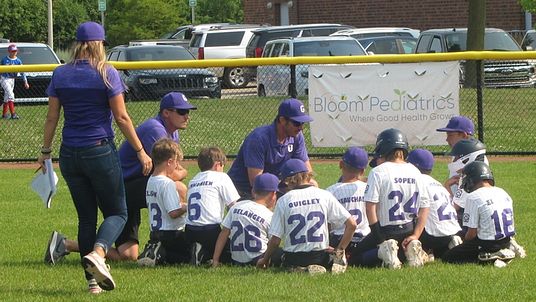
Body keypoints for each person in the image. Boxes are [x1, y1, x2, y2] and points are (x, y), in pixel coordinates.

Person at [38, 21, 152, 294]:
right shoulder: (106, 73)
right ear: (100, 44)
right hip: (99, 149)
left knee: (86, 218)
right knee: (118, 212)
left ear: (76, 44)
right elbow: (122, 117)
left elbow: (52, 117)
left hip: (69, 153)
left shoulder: (61, 73)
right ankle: (99, 253)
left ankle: (92, 283)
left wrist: (45, 152)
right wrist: (140, 151)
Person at [45, 91, 195, 264]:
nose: (187, 116)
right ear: (166, 113)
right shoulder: (156, 129)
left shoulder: (172, 132)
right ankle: (170, 243)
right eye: (182, 112)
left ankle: (64, 244)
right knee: (177, 187)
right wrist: (183, 173)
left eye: (188, 112)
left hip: (132, 186)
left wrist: (178, 172)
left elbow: (172, 169)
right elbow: (173, 172)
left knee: (128, 256)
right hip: (120, 189)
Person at [257, 159, 357, 275]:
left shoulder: (284, 200)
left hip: (293, 258)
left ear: (288, 181)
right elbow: (352, 225)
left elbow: (275, 240)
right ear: (308, 176)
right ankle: (331, 263)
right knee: (328, 254)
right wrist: (339, 251)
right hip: (319, 256)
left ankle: (298, 268)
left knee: (277, 254)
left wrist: (265, 259)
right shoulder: (324, 195)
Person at [351, 128, 430, 269]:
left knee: (354, 258)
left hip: (387, 230)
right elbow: (425, 207)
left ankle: (386, 251)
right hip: (409, 228)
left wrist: (380, 239)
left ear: (383, 147)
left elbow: (370, 207)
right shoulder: (415, 171)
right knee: (400, 248)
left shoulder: (378, 171)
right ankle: (409, 250)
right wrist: (416, 234)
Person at [228, 98, 314, 199]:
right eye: (296, 123)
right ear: (282, 120)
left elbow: (307, 171)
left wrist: (308, 187)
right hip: (244, 191)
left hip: (273, 186)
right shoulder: (258, 138)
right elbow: (256, 182)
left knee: (312, 185)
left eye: (302, 123)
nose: (301, 128)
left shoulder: (297, 136)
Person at [442, 161, 517, 266]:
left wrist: (465, 244)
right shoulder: (503, 192)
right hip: (506, 239)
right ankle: (505, 249)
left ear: (472, 179)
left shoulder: (474, 197)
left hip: (487, 243)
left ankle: (489, 257)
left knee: (447, 257)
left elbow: (471, 234)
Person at [137, 138, 189, 266]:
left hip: (155, 233)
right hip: (171, 234)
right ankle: (162, 254)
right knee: (193, 253)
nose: (177, 166)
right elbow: (173, 213)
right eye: (176, 163)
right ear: (170, 162)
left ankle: (155, 250)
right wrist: (186, 207)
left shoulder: (151, 180)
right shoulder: (167, 183)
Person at [185, 147, 241, 265]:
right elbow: (234, 206)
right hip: (210, 230)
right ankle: (204, 255)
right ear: (217, 165)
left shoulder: (193, 180)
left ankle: (199, 251)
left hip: (189, 231)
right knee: (236, 255)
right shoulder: (221, 177)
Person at [212, 173, 281, 267]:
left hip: (236, 260)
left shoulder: (237, 206)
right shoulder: (269, 215)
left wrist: (215, 260)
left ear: (253, 191)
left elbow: (224, 233)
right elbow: (274, 242)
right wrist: (265, 260)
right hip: (258, 259)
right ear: (273, 194)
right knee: (281, 252)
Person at [407, 149, 462, 260]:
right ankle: (448, 244)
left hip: (430, 235)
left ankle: (425, 250)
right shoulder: (437, 183)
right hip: (451, 232)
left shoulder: (414, 181)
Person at [325, 147, 371, 263]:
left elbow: (327, 224)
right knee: (366, 255)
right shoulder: (368, 188)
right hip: (364, 239)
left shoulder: (330, 191)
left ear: (341, 164)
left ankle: (341, 256)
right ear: (362, 171)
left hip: (339, 239)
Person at [1, 43, 29, 119]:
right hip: (4, 79)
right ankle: (13, 114)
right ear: (9, 51)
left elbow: (22, 72)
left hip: (12, 79)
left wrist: (25, 81)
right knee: (11, 95)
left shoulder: (18, 61)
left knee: (7, 97)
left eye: (15, 51)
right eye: (12, 51)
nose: (14, 52)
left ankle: (4, 114)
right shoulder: (4, 60)